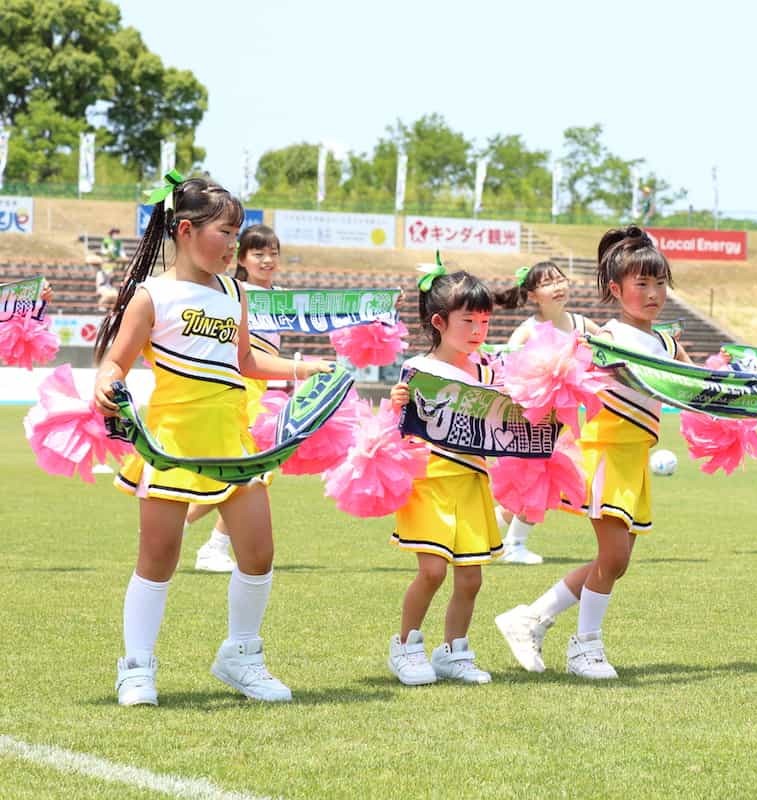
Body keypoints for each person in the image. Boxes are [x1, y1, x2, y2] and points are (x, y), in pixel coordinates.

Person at [92, 174, 331, 706]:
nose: (234, 244)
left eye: (237, 232)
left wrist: (300, 367)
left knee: (259, 553)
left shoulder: (234, 291)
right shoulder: (152, 296)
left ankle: (241, 656)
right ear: (186, 230)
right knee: (158, 556)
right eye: (226, 232)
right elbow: (116, 360)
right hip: (174, 443)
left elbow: (245, 361)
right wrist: (107, 385)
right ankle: (136, 666)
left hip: (233, 442)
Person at [495, 225, 692, 680]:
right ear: (615, 289)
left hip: (637, 458)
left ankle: (531, 618)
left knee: (614, 563)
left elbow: (701, 385)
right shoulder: (605, 338)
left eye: (659, 283)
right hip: (604, 455)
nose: (653, 293)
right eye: (641, 284)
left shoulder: (667, 343)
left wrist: (755, 398)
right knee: (615, 558)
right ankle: (585, 648)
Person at [384, 266, 502, 686]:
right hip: (428, 479)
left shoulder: (488, 371)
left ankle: (454, 650)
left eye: (484, 321)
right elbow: (396, 425)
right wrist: (396, 403)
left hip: (472, 481)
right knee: (432, 571)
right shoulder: (417, 369)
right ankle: (405, 645)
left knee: (471, 577)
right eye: (468, 320)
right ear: (439, 322)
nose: (477, 330)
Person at [186, 224, 285, 572]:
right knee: (248, 469)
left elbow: (336, 313)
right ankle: (201, 538)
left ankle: (193, 530)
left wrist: (381, 307)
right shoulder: (231, 292)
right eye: (258, 253)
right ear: (242, 258)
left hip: (265, 391)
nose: (267, 259)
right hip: (236, 388)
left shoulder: (284, 299)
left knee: (254, 470)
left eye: (273, 252)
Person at [492, 261, 600, 565]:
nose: (558, 286)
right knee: (526, 486)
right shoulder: (528, 330)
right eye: (549, 282)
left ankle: (507, 542)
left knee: (543, 485)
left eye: (561, 279)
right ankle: (496, 541)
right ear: (533, 295)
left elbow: (610, 346)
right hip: (528, 420)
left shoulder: (581, 324)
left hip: (562, 423)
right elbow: (505, 367)